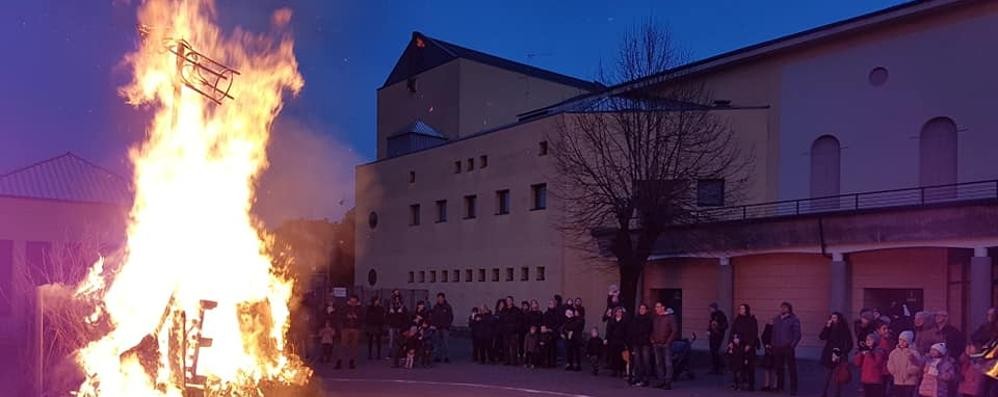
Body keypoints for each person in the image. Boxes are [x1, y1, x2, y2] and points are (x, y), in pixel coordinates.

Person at [820, 312, 854, 397]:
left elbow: (850, 343)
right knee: (828, 375)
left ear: (839, 319)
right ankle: (824, 393)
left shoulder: (844, 329)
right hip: (829, 353)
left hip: (839, 352)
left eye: (835, 318)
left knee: (838, 375)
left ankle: (837, 394)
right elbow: (822, 337)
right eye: (832, 318)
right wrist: (827, 327)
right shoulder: (830, 327)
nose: (833, 320)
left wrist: (843, 352)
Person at [772, 301, 802, 395]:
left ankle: (793, 388)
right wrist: (773, 344)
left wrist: (792, 345)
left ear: (789, 309)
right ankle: (779, 386)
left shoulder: (794, 319)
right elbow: (773, 332)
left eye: (785, 307)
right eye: (781, 307)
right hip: (777, 347)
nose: (782, 309)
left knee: (791, 368)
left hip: (787, 347)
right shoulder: (777, 319)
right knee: (779, 368)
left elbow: (797, 334)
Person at [732, 303, 760, 392]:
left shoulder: (752, 320)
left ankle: (751, 385)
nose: (741, 310)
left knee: (750, 366)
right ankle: (738, 383)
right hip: (738, 346)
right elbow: (733, 331)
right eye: (740, 308)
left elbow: (754, 333)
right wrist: (732, 341)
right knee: (737, 365)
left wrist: (750, 344)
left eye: (743, 309)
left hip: (748, 346)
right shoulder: (737, 320)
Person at [651, 301, 678, 390]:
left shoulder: (670, 317)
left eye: (658, 307)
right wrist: (652, 339)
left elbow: (674, 330)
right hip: (657, 343)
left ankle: (668, 382)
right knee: (659, 363)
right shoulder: (656, 318)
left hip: (666, 344)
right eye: (656, 307)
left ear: (663, 307)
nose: (656, 309)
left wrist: (668, 341)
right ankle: (661, 380)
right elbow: (653, 329)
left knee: (668, 363)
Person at [888, 330, 923, 397]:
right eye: (900, 340)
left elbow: (918, 365)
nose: (902, 342)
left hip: (910, 381)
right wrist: (893, 371)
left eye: (904, 341)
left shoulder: (914, 353)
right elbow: (890, 363)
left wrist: (909, 371)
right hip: (898, 380)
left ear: (909, 341)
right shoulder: (894, 352)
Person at [627, 303, 653, 387]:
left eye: (643, 308)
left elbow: (648, 330)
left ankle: (646, 378)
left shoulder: (649, 319)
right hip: (636, 343)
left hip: (645, 343)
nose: (641, 310)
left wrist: (644, 336)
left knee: (646, 361)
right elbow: (632, 330)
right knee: (637, 361)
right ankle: (637, 377)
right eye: (640, 308)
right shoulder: (635, 319)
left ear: (646, 310)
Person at [856, 332, 888, 397]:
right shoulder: (865, 351)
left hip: (875, 379)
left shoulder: (879, 351)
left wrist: (869, 354)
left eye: (870, 339)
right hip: (866, 379)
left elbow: (877, 363)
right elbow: (857, 363)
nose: (868, 341)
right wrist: (860, 354)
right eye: (867, 339)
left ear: (875, 341)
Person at [338, 295, 363, 369]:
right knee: (343, 345)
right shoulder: (345, 307)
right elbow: (340, 316)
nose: (353, 303)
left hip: (355, 328)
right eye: (351, 301)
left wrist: (357, 317)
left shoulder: (360, 308)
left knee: (353, 347)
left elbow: (363, 318)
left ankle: (351, 361)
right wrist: (346, 317)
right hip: (346, 328)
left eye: (354, 302)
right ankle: (340, 361)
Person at [430, 292, 454, 363]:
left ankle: (447, 357)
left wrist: (447, 325)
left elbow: (450, 317)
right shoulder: (435, 307)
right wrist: (433, 325)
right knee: (437, 343)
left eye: (441, 298)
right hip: (437, 328)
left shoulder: (448, 307)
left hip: (445, 328)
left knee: (446, 343)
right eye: (438, 298)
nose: (439, 299)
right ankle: (438, 357)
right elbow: (433, 317)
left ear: (443, 298)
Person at [605, 306, 629, 377]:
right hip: (613, 340)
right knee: (614, 356)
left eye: (620, 312)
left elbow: (626, 331)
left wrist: (626, 341)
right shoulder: (612, 321)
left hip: (621, 340)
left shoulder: (625, 321)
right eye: (618, 312)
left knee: (621, 357)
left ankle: (621, 371)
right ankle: (614, 371)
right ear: (615, 313)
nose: (619, 313)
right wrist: (607, 338)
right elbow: (608, 331)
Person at [386, 290, 409, 362]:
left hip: (399, 325)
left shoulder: (402, 306)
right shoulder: (390, 306)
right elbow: (387, 315)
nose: (397, 300)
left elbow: (405, 316)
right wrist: (390, 313)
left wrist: (401, 313)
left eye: (398, 298)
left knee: (400, 340)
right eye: (395, 298)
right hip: (392, 325)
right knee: (391, 340)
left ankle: (401, 354)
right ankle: (390, 354)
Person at [708, 302, 730, 375]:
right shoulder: (712, 315)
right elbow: (710, 324)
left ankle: (720, 367)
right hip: (712, 335)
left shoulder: (720, 315)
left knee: (715, 350)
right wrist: (708, 330)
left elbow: (725, 325)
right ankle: (715, 367)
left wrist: (718, 328)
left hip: (718, 335)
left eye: (711, 308)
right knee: (712, 351)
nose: (710, 310)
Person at [761, 318, 777, 392]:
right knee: (767, 367)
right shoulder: (769, 327)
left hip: (776, 349)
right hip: (769, 349)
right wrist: (766, 345)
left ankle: (774, 385)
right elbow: (764, 336)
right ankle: (767, 385)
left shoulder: (778, 328)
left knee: (774, 367)